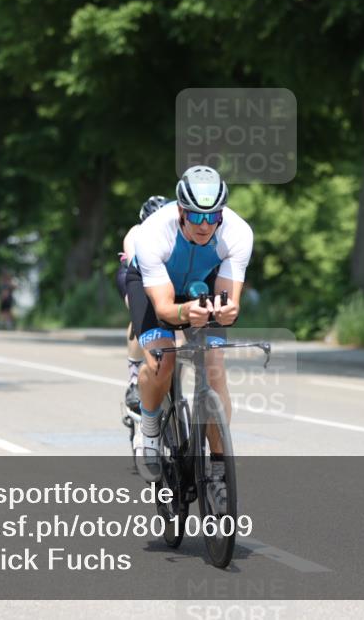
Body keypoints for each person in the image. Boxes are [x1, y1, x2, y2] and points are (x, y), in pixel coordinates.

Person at [126, 166, 253, 501]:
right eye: (196, 215)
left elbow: (230, 300)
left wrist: (228, 311)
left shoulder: (238, 233)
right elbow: (165, 308)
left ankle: (218, 469)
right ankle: (149, 430)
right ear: (181, 210)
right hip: (155, 288)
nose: (205, 225)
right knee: (161, 362)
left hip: (202, 282)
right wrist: (185, 313)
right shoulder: (154, 233)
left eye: (213, 216)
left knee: (214, 368)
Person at [118, 195, 169, 413]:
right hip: (135, 272)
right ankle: (134, 377)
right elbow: (138, 268)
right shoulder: (135, 233)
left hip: (163, 274)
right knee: (142, 312)